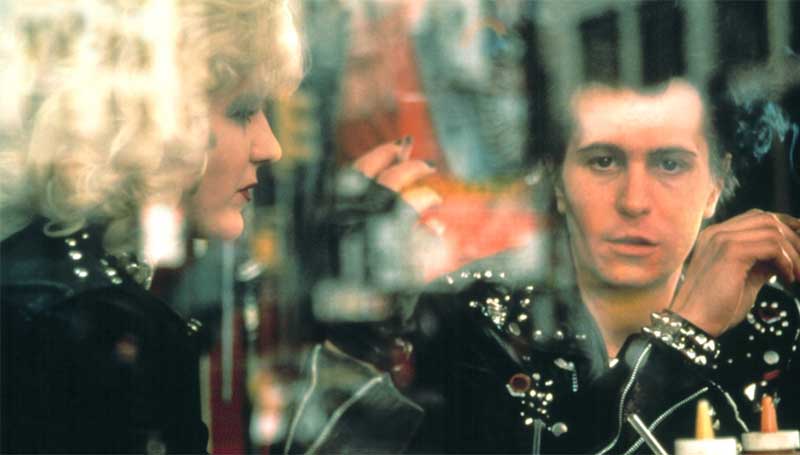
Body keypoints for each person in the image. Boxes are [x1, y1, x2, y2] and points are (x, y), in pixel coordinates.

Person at [282, 54, 800, 455]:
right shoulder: (478, 323)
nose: (634, 201)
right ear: (556, 181)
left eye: (670, 165)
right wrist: (681, 339)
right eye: (603, 162)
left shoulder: (780, 329)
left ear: (715, 186)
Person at [0, 0, 304, 452]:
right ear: (154, 119)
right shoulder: (101, 325)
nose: (270, 147)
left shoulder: (46, 285)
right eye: (243, 111)